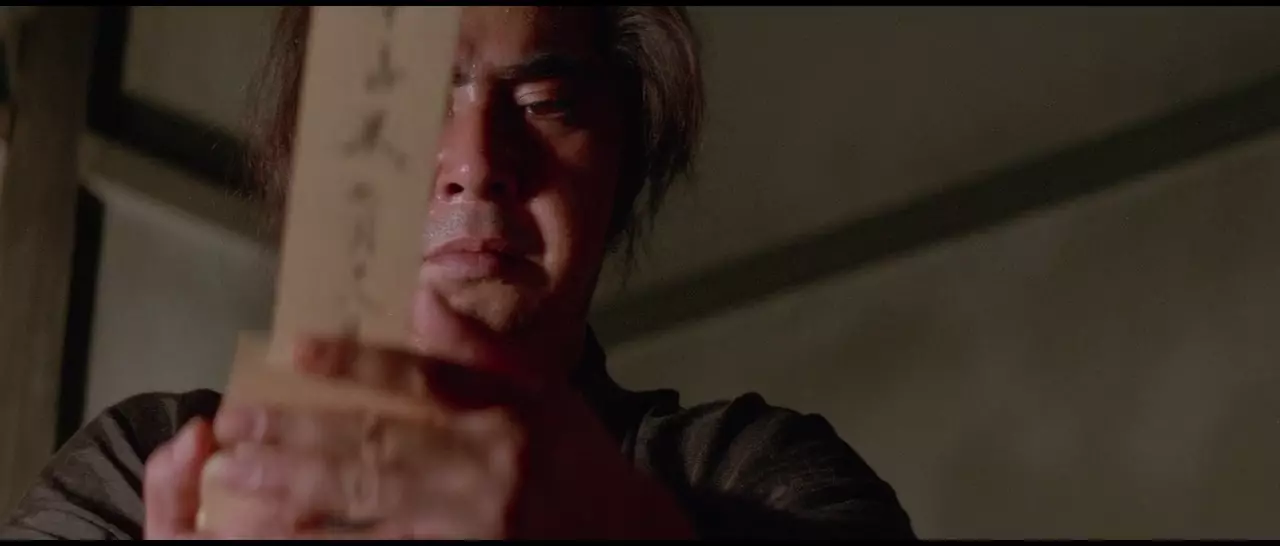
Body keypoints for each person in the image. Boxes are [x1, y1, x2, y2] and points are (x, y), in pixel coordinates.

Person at [1, 6, 915, 540]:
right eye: (408, 101)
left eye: (547, 103)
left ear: (625, 164)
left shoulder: (755, 479)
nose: (476, 162)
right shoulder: (140, 467)